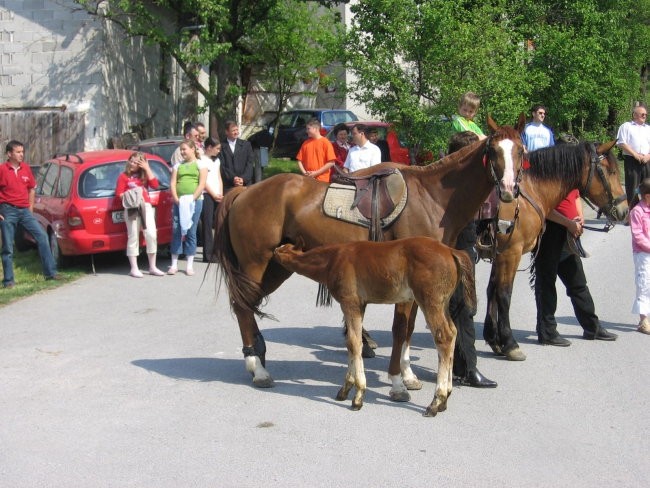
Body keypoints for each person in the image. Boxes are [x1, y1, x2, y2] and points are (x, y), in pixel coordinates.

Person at [533, 187, 618, 346]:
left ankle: (592, 328)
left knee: (578, 284)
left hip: (569, 234)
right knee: (546, 283)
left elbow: (576, 195)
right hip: (550, 232)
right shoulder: (547, 175)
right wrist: (569, 223)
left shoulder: (568, 174)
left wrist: (580, 218)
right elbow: (543, 207)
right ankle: (547, 332)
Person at [446, 131, 497, 388]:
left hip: (461, 245)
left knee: (458, 307)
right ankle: (467, 369)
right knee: (462, 307)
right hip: (456, 247)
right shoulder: (456, 183)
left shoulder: (450, 178)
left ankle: (457, 366)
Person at [0, 140, 60, 288]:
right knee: (8, 246)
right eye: (18, 152)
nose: (21, 155)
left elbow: (32, 189)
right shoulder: (2, 170)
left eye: (22, 152)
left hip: (25, 210)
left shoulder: (26, 169)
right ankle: (8, 280)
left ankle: (50, 272)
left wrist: (30, 208)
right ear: (9, 154)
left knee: (42, 236)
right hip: (8, 210)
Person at [115, 152, 165, 278]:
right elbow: (118, 194)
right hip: (132, 207)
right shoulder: (123, 176)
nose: (132, 164)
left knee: (151, 234)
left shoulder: (144, 175)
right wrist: (130, 196)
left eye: (136, 162)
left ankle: (152, 266)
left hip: (146, 206)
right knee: (133, 236)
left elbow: (155, 185)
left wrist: (147, 168)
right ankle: (134, 268)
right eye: (131, 161)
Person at [169, 140, 208, 276]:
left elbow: (202, 183)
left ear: (192, 149)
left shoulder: (200, 164)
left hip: (194, 201)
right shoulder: (177, 166)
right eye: (181, 150)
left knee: (191, 230)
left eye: (184, 149)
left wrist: (192, 198)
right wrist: (176, 198)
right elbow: (173, 183)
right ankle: (174, 264)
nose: (182, 152)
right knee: (176, 230)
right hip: (179, 201)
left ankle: (189, 264)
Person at [617, 104, 650, 209]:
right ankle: (633, 213)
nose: (645, 116)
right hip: (632, 160)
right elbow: (621, 143)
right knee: (632, 188)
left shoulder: (648, 128)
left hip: (647, 160)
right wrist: (635, 154)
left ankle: (647, 212)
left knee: (648, 186)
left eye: (646, 114)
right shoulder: (626, 126)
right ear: (635, 115)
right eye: (642, 114)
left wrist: (648, 156)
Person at [630, 178, 650, 334]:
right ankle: (643, 320)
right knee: (644, 284)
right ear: (647, 196)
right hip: (643, 255)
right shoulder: (637, 211)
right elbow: (638, 236)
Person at [200, 137, 223, 263]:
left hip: (217, 195)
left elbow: (218, 177)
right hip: (207, 195)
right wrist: (213, 194)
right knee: (207, 224)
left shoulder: (217, 161)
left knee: (218, 223)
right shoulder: (201, 161)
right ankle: (208, 254)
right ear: (209, 147)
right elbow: (203, 182)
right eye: (217, 148)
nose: (218, 151)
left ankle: (218, 251)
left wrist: (220, 193)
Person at [296, 118, 336, 182]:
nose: (306, 131)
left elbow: (331, 163)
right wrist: (305, 174)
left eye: (308, 129)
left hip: (322, 181)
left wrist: (316, 173)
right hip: (307, 179)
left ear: (316, 129)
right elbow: (299, 161)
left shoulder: (326, 143)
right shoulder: (305, 143)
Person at [220, 120, 254, 192]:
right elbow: (222, 166)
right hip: (228, 185)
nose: (236, 132)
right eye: (233, 131)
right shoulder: (221, 147)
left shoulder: (246, 145)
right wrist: (233, 178)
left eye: (237, 130)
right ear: (226, 132)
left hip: (245, 185)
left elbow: (250, 163)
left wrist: (243, 179)